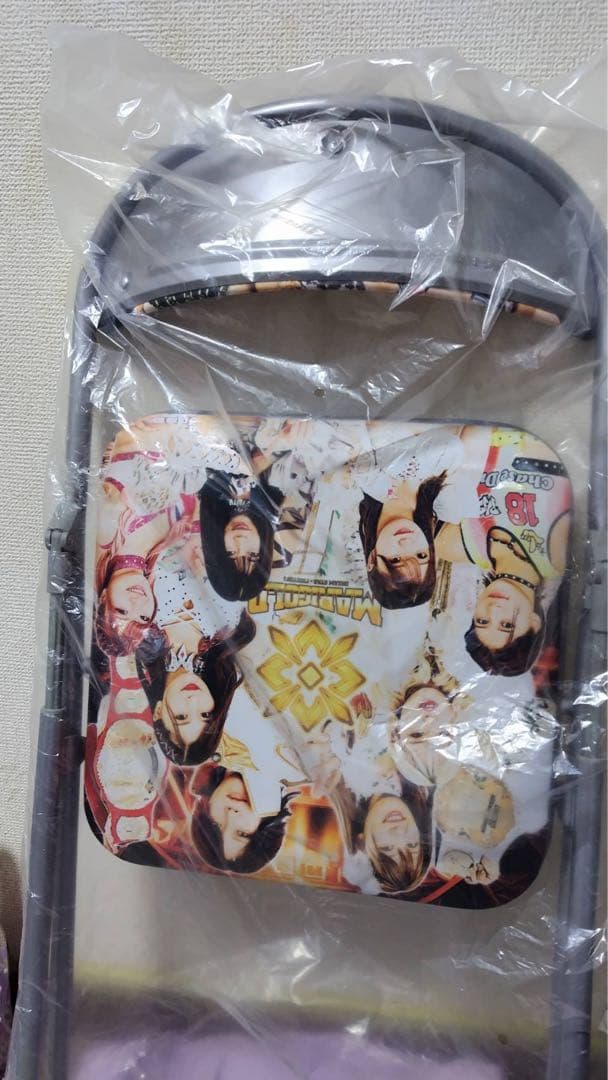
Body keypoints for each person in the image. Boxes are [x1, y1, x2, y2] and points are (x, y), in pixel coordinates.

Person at [434, 425, 571, 676]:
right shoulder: (555, 555)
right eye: (507, 624)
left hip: (479, 416)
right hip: (541, 422)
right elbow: (565, 460)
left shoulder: (454, 545)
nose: (494, 610)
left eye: (482, 621)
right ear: (534, 623)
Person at [355, 426, 465, 608]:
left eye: (395, 560)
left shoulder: (362, 477)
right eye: (421, 555)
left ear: (372, 559)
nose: (407, 543)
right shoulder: (449, 499)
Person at [137, 609, 255, 766]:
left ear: (158, 711)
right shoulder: (231, 633)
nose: (193, 701)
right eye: (205, 714)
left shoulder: (136, 639)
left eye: (181, 716)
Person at [190, 763, 297, 874]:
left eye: (216, 825)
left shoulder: (204, 755)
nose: (231, 815)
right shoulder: (295, 766)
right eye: (242, 833)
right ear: (267, 827)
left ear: (207, 805)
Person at [198, 468, 284, 601]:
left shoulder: (198, 482)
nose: (240, 540)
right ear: (263, 551)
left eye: (231, 553)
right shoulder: (279, 494)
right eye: (252, 555)